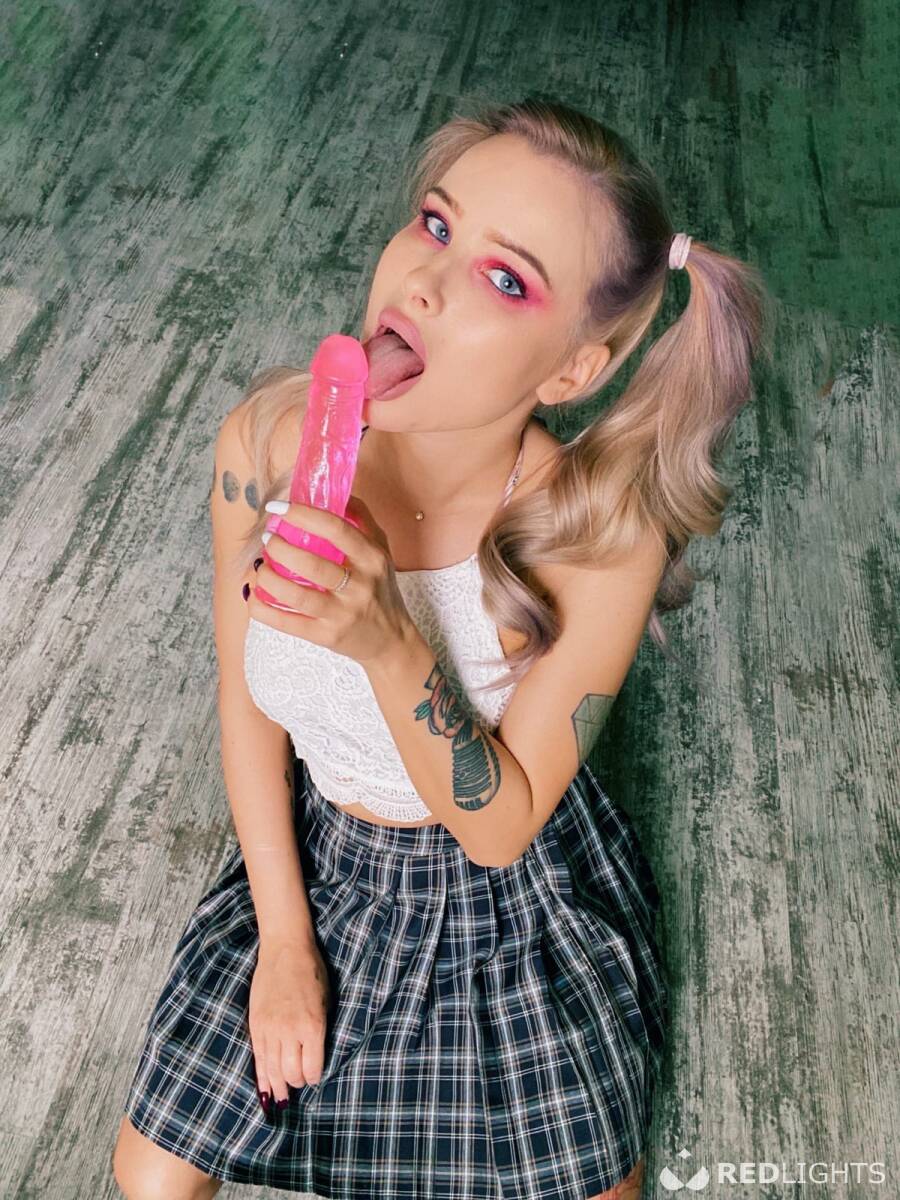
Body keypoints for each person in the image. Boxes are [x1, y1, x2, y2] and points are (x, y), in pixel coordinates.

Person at [113, 96, 768, 1199]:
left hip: (503, 904)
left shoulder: (597, 538)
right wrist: (285, 943)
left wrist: (386, 638)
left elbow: (501, 827)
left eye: (505, 279)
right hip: (317, 858)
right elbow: (244, 697)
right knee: (146, 1178)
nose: (422, 282)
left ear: (571, 372)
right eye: (434, 222)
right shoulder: (266, 445)